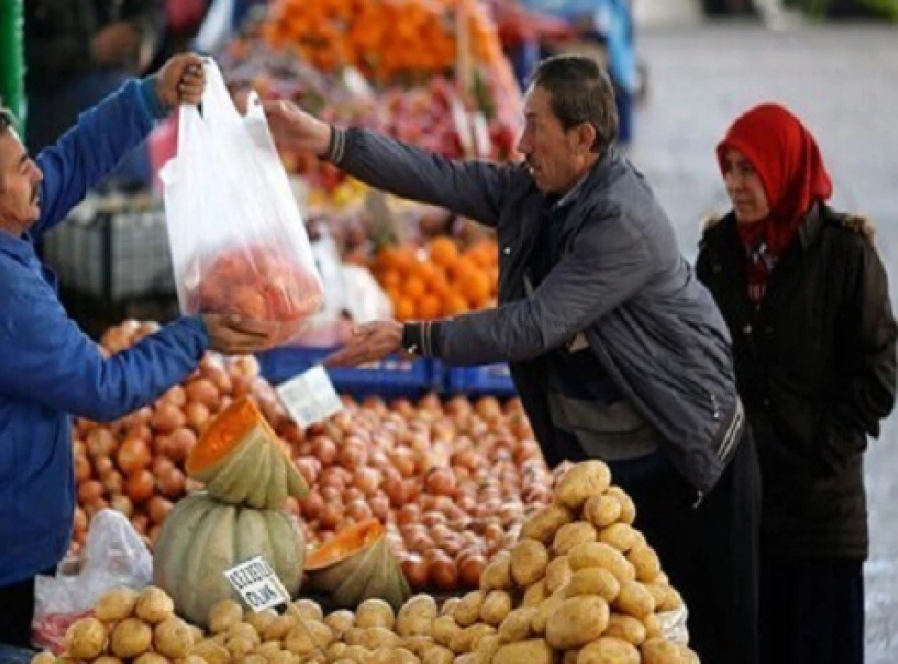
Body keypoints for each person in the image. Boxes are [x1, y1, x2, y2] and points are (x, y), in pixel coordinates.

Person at [261, 54, 759, 664]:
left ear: (583, 138)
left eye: (534, 126)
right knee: (627, 638)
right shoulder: (537, 190)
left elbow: (535, 324)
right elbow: (439, 177)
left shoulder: (621, 220)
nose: (520, 144)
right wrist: (330, 141)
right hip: (617, 467)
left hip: (690, 458)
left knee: (710, 637)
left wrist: (414, 335)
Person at [0, 53, 274, 647]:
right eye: (22, 167)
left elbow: (67, 163)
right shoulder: (3, 302)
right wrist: (196, 334)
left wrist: (148, 98)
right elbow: (104, 389)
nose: (37, 175)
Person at [697, 103, 897, 664]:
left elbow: (880, 364)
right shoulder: (718, 255)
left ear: (784, 168)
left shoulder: (844, 253)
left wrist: (828, 445)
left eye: (750, 169)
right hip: (744, 508)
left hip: (820, 515)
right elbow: (698, 356)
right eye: (730, 168)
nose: (735, 185)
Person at [24, 0, 164, 186]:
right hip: (52, 108)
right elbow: (18, 51)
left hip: (119, 105)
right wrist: (89, 50)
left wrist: (143, 36)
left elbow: (150, 8)